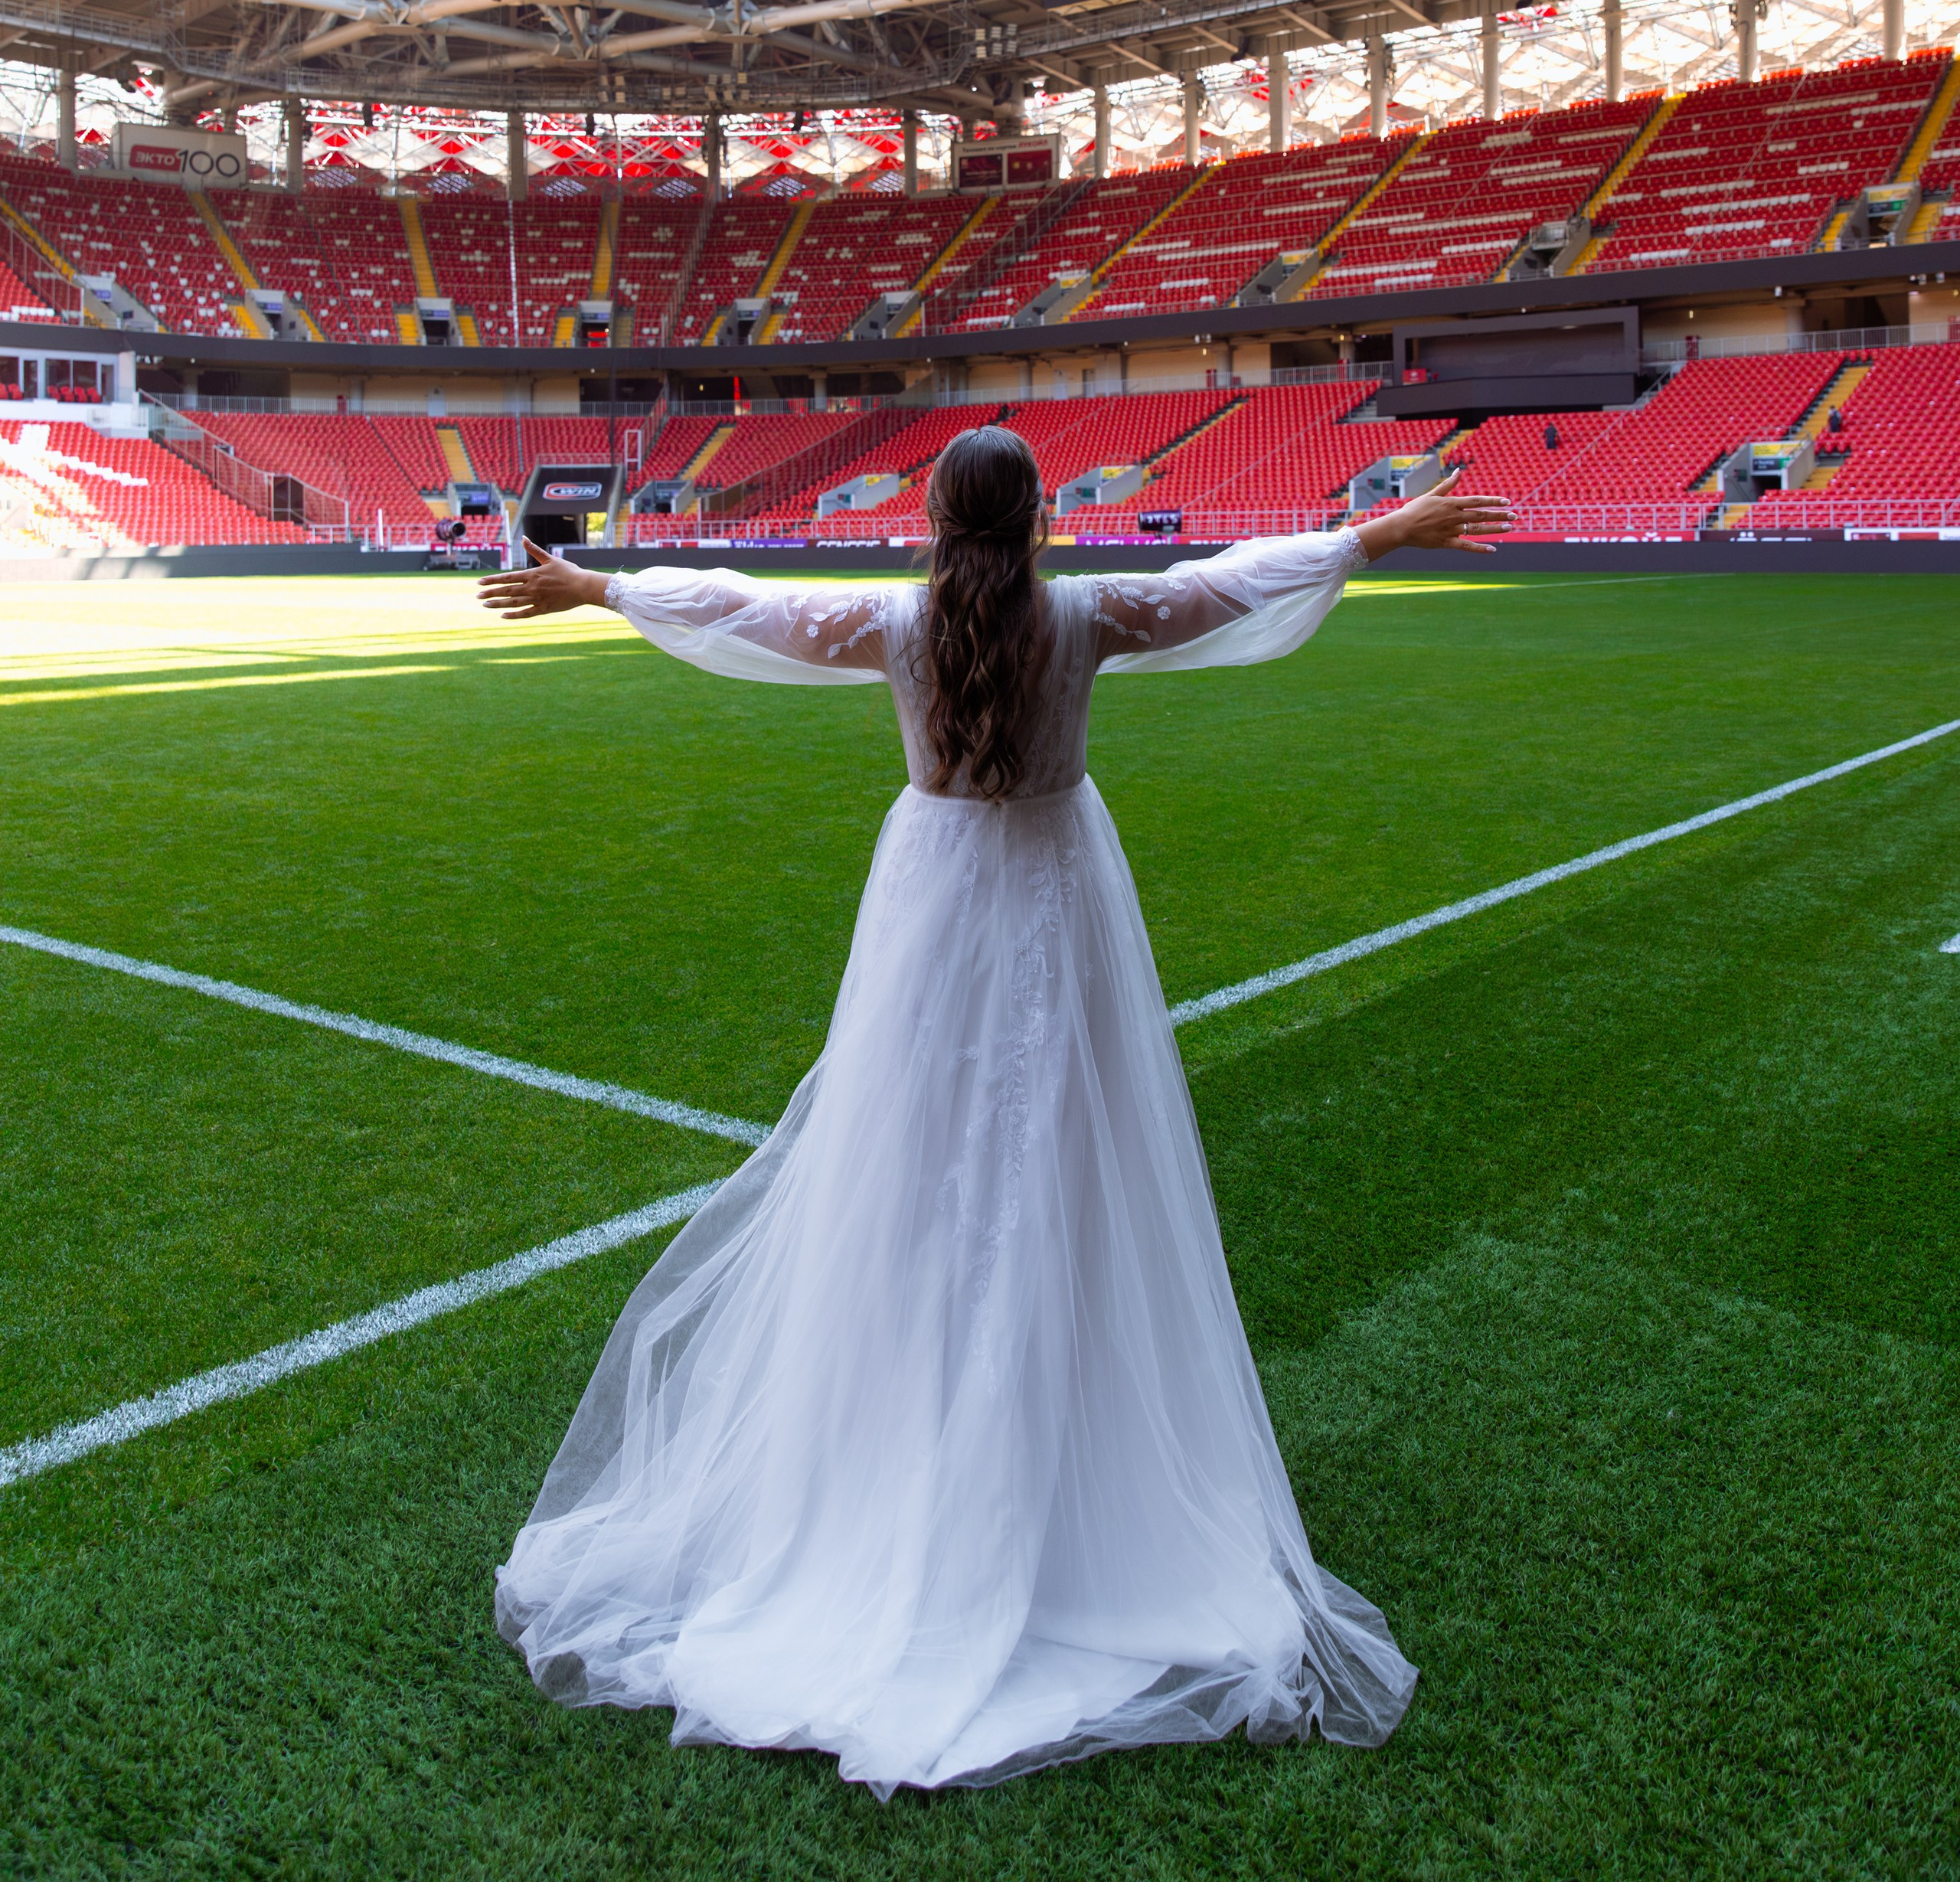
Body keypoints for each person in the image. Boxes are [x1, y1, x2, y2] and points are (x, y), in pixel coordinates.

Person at [479, 431, 1508, 1799]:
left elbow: (738, 603)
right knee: (1062, 1161)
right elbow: (1229, 584)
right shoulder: (1083, 615)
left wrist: (601, 589)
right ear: (1039, 517)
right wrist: (1378, 536)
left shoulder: (899, 623)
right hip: (1051, 897)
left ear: (931, 514)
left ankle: (909, 1451)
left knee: (905, 1172)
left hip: (935, 903)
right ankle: (1037, 1455)